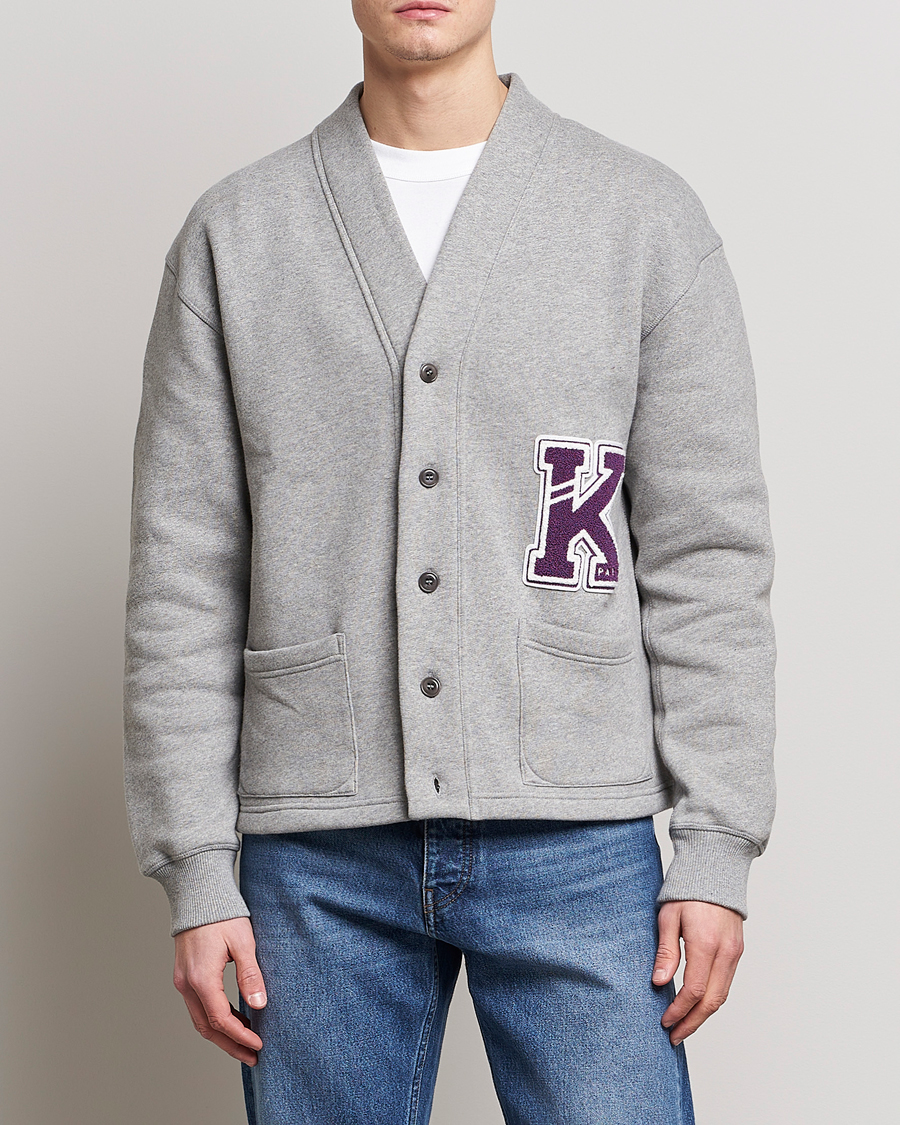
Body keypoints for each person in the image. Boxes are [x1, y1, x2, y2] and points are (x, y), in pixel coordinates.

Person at [123, 2, 776, 1122]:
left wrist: (718, 841)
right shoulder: (238, 234)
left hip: (581, 841)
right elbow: (182, 574)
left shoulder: (640, 219)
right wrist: (195, 866)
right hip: (315, 857)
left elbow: (706, 555)